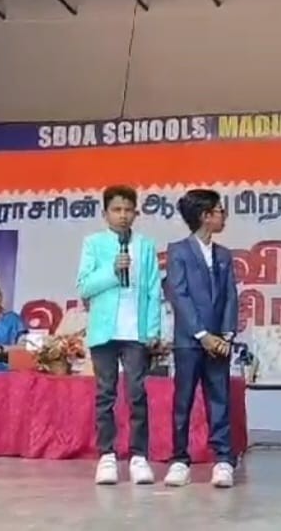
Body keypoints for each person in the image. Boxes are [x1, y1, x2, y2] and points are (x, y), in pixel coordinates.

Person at [76, 185, 162, 486]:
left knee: (137, 393)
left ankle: (139, 457)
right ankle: (107, 456)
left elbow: (154, 290)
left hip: (135, 331)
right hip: (104, 330)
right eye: (116, 210)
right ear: (105, 213)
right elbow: (84, 287)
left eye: (128, 210)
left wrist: (153, 330)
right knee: (105, 394)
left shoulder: (145, 246)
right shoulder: (93, 243)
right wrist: (113, 271)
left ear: (136, 213)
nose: (123, 215)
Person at [162, 189, 239, 489]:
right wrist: (202, 334)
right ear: (205, 216)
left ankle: (223, 460)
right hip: (190, 341)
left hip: (219, 342)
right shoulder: (178, 251)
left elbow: (230, 296)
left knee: (219, 399)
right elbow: (178, 295)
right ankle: (180, 460)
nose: (224, 216)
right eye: (220, 211)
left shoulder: (224, 254)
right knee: (183, 401)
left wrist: (226, 335)